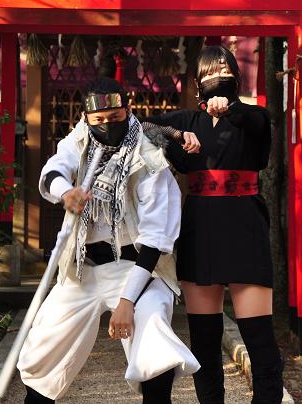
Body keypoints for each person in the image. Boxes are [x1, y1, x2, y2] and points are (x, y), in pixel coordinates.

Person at [17, 77, 200, 404]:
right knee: (44, 348)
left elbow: (155, 239)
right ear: (86, 118)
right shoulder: (80, 138)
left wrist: (127, 303)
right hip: (83, 267)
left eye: (115, 118)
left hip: (138, 267)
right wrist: (66, 192)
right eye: (99, 120)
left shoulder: (148, 154)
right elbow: (54, 170)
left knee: (153, 341)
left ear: (127, 111)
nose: (107, 126)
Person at [144, 45, 284, 404]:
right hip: (200, 230)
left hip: (245, 228)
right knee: (204, 343)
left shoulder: (254, 117)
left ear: (236, 77)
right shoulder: (188, 122)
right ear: (196, 83)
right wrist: (177, 136)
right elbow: (141, 127)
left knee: (260, 341)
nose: (217, 76)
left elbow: (257, 125)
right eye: (208, 71)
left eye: (224, 69)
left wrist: (230, 108)